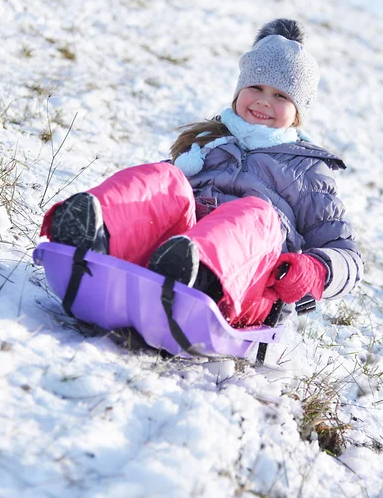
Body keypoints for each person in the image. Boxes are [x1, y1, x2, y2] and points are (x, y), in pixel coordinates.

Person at [40, 18, 363, 328]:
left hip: (246, 286)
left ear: (298, 112)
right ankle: (93, 233)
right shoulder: (209, 145)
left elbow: (347, 255)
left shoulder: (308, 170)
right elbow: (161, 199)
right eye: (256, 87)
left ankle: (198, 275)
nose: (264, 101)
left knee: (254, 211)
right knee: (164, 178)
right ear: (239, 91)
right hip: (164, 259)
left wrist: (316, 271)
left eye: (280, 95)